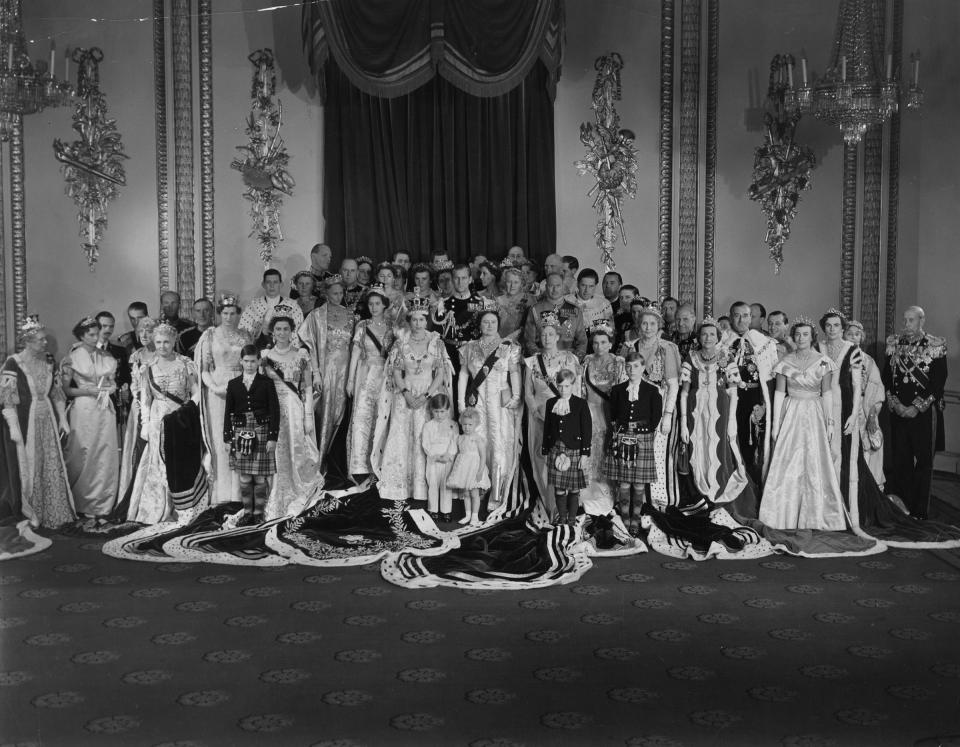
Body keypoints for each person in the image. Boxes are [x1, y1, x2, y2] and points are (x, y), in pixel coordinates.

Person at [759, 317, 847, 530]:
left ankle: (816, 515)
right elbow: (779, 394)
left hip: (814, 414)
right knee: (788, 462)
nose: (801, 338)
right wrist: (776, 424)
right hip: (791, 413)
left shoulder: (823, 361)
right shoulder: (785, 362)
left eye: (805, 334)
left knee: (815, 463)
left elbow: (827, 394)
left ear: (812, 337)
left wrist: (830, 422)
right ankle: (782, 514)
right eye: (798, 334)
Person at [372, 297, 454, 501]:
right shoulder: (400, 343)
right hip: (404, 396)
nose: (418, 323)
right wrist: (407, 394)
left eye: (422, 319)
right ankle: (399, 487)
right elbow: (396, 372)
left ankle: (423, 489)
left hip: (428, 395)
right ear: (409, 321)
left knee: (423, 438)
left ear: (427, 321)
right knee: (401, 436)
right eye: (414, 319)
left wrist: (426, 396)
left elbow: (441, 374)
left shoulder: (436, 342)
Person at [1, 315, 75, 530]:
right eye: (41, 340)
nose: (45, 343)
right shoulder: (13, 362)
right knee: (29, 464)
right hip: (26, 421)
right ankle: (31, 510)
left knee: (50, 462)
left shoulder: (49, 360)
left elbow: (56, 392)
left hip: (48, 420)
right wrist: (13, 427)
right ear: (27, 341)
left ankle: (53, 510)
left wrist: (62, 419)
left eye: (45, 339)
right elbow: (7, 398)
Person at [126, 323, 199, 525]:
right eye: (158, 342)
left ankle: (181, 507)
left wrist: (188, 411)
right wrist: (146, 424)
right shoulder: (147, 367)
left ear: (174, 341)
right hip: (158, 419)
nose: (162, 346)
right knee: (158, 462)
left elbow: (196, 392)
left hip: (180, 419)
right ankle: (158, 508)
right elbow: (145, 399)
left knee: (180, 461)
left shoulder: (186, 363)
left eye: (166, 342)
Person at [883, 306, 947, 520]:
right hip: (899, 413)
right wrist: (896, 404)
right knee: (900, 461)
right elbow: (887, 379)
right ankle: (902, 507)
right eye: (905, 320)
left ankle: (920, 511)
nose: (906, 324)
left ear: (922, 320)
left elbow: (938, 383)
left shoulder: (935, 345)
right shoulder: (894, 344)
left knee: (923, 463)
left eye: (911, 320)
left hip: (924, 415)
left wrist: (916, 407)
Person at [679, 317, 751, 506]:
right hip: (695, 411)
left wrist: (732, 420)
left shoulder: (725, 357)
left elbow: (733, 390)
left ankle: (717, 488)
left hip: (721, 409)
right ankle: (700, 493)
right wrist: (683, 423)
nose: (708, 338)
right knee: (698, 446)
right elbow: (684, 392)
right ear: (699, 337)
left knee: (719, 446)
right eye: (704, 334)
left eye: (712, 334)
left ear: (718, 337)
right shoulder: (691, 358)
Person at [456, 310, 522, 511]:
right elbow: (464, 375)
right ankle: (477, 487)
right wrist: (460, 403)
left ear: (498, 324)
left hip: (499, 401)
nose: (490, 325)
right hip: (477, 402)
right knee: (478, 444)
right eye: (485, 322)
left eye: (493, 322)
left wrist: (516, 395)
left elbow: (514, 371)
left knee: (499, 444)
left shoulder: (508, 347)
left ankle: (497, 493)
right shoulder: (469, 347)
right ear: (480, 324)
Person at [261, 313, 323, 519]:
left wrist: (307, 416)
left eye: (285, 329)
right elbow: (260, 386)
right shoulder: (265, 357)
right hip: (273, 407)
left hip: (295, 407)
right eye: (278, 329)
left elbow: (306, 387)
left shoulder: (301, 355)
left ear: (292, 331)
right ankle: (277, 492)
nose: (281, 333)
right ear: (272, 331)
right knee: (277, 449)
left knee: (296, 447)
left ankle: (297, 491)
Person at [620, 304, 682, 509]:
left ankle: (654, 500)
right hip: (633, 404)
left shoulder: (667, 348)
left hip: (658, 404)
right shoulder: (629, 347)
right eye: (644, 323)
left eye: (652, 323)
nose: (648, 327)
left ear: (659, 325)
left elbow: (673, 384)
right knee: (631, 453)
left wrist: (667, 415)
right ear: (638, 325)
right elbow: (621, 381)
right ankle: (632, 502)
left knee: (655, 455)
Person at [60, 316, 119, 524]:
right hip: (84, 408)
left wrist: (111, 388)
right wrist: (87, 390)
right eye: (91, 335)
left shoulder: (106, 356)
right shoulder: (72, 358)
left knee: (104, 453)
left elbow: (112, 381)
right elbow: (66, 389)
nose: (95, 338)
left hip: (105, 409)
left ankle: (102, 503)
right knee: (84, 452)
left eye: (97, 333)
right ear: (82, 336)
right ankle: (81, 502)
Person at [523, 313, 582, 519]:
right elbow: (528, 392)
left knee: (563, 459)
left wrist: (572, 414)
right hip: (539, 415)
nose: (547, 338)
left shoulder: (569, 358)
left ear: (557, 336)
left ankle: (564, 509)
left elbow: (576, 389)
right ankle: (550, 505)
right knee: (542, 458)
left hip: (564, 413)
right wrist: (535, 410)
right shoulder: (532, 362)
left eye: (550, 334)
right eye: (543, 334)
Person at [195, 295, 250, 505]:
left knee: (242, 438)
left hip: (241, 387)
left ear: (238, 314)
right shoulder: (210, 335)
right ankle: (221, 494)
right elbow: (203, 369)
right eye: (225, 313)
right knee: (220, 439)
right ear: (219, 314)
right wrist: (215, 387)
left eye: (233, 313)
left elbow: (251, 363)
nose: (229, 317)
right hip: (217, 390)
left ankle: (239, 493)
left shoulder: (245, 335)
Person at [298, 275, 355, 470]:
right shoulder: (316, 316)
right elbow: (310, 346)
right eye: (334, 293)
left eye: (341, 293)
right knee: (326, 413)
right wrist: (316, 373)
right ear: (326, 294)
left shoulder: (351, 315)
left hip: (347, 371)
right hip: (327, 369)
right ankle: (321, 461)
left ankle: (338, 461)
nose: (338, 296)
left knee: (343, 412)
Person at [720, 301, 778, 489]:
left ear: (751, 318)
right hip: (729, 401)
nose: (741, 319)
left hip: (753, 401)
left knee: (752, 447)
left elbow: (770, 380)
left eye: (745, 315)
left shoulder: (764, 343)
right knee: (729, 444)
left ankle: (753, 492)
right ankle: (733, 491)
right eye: (736, 315)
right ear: (730, 317)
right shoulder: (722, 343)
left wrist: (763, 405)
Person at [604, 352, 660, 535]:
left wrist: (640, 430)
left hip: (642, 438)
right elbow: (612, 415)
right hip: (621, 437)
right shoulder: (618, 390)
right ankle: (625, 517)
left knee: (638, 484)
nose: (632, 370)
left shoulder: (652, 391)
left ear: (643, 368)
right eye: (629, 366)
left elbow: (655, 418)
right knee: (624, 483)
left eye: (636, 366)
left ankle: (635, 519)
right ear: (625, 368)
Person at [223, 345, 279, 525]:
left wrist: (272, 437)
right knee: (245, 476)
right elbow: (228, 412)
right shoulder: (233, 384)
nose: (249, 365)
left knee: (260, 476)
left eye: (253, 361)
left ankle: (258, 513)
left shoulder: (266, 383)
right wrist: (227, 438)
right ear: (241, 361)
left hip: (262, 430)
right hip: (240, 432)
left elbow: (274, 411)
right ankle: (247, 512)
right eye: (246, 361)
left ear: (258, 361)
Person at [346, 285, 396, 480]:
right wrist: (350, 380)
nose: (374, 307)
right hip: (365, 375)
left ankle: (379, 462)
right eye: (371, 304)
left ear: (384, 305)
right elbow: (355, 354)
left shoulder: (393, 327)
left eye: (377, 303)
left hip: (385, 375)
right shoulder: (362, 326)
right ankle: (360, 465)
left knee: (381, 417)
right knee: (362, 416)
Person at [579, 322, 626, 516]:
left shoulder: (618, 363)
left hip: (609, 413)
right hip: (590, 412)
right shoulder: (587, 362)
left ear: (610, 344)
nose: (599, 346)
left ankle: (608, 492)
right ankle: (589, 493)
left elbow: (622, 391)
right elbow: (582, 389)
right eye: (596, 343)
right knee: (591, 452)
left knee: (607, 451)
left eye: (603, 342)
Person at [116, 318, 158, 508]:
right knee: (139, 448)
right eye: (141, 331)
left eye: (149, 331)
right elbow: (134, 384)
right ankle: (136, 495)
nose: (144, 335)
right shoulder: (136, 356)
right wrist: (139, 402)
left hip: (158, 406)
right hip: (140, 407)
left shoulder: (163, 354)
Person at [542, 369, 592, 526]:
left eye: (567, 386)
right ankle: (562, 519)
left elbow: (587, 429)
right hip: (555, 450)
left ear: (573, 385)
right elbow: (547, 427)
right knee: (559, 488)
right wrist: (546, 449)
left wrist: (584, 454)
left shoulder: (581, 404)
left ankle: (571, 519)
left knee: (574, 489)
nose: (563, 389)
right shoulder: (550, 403)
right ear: (557, 385)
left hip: (575, 450)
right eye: (561, 386)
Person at [844, 320, 885, 488]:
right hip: (842, 406)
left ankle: (865, 486)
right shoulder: (837, 359)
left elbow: (876, 389)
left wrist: (872, 414)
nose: (854, 338)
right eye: (850, 334)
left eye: (857, 334)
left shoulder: (868, 361)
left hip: (863, 408)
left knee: (865, 448)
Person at [522, 272, 587, 358]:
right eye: (551, 286)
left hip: (568, 361)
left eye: (558, 286)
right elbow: (529, 341)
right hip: (544, 360)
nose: (554, 289)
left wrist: (575, 359)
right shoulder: (535, 309)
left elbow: (582, 341)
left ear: (563, 287)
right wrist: (540, 359)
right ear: (545, 287)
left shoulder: (575, 310)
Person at [432, 264, 483, 371]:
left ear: (470, 280)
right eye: (456, 278)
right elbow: (436, 335)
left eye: (464, 278)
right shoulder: (443, 305)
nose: (460, 282)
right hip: (450, 355)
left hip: (473, 355)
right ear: (452, 280)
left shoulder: (481, 303)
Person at [239, 269, 304, 349]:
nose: (272, 286)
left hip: (285, 351)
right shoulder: (253, 306)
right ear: (263, 284)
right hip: (258, 350)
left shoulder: (293, 306)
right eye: (268, 282)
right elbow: (243, 334)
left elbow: (298, 333)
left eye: (275, 282)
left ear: (281, 284)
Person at [447, 407, 490, 525]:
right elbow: (456, 453)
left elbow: (483, 456)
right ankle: (467, 515)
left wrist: (480, 470)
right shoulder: (460, 438)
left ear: (476, 424)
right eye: (464, 424)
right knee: (465, 493)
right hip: (463, 468)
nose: (467, 427)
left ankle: (475, 516)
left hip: (474, 468)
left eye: (470, 424)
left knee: (474, 493)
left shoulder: (478, 439)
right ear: (461, 424)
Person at [421, 393, 459, 522]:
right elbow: (425, 444)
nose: (439, 415)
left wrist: (448, 455)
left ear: (448, 410)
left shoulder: (453, 425)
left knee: (445, 485)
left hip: (447, 459)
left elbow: (455, 441)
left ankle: (446, 511)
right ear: (432, 410)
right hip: (433, 460)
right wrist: (435, 456)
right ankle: (433, 510)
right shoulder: (428, 426)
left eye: (442, 411)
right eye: (436, 411)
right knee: (433, 484)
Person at [95, 310, 131, 432]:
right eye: (104, 326)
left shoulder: (118, 350)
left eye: (111, 326)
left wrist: (124, 387)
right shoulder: (82, 349)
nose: (108, 329)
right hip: (90, 401)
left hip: (112, 401)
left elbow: (125, 376)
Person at [565, 268, 614, 333]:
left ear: (595, 286)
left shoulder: (604, 303)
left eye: (591, 286)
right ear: (577, 284)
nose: (586, 290)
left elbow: (610, 329)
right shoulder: (565, 301)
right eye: (583, 285)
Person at [495, 265, 535, 341]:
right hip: (500, 340)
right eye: (509, 282)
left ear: (522, 283)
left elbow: (531, 324)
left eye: (516, 282)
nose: (512, 285)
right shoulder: (498, 300)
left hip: (520, 341)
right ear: (505, 282)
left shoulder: (529, 299)